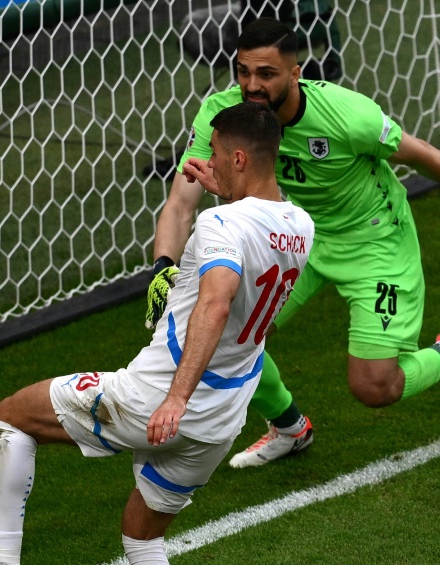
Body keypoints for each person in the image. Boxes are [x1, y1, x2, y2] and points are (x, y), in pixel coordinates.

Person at [0, 102, 314, 565]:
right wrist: (218, 200)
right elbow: (246, 261)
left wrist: (174, 396)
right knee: (142, 534)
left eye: (215, 155)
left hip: (155, 397)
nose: (203, 163)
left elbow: (216, 300)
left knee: (13, 415)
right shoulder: (299, 226)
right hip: (223, 417)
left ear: (236, 156)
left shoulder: (221, 229)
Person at [146, 18, 440, 469]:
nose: (251, 86)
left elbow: (421, 154)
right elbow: (181, 203)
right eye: (243, 72)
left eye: (266, 74)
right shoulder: (226, 118)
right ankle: (289, 427)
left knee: (375, 387)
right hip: (296, 238)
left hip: (376, 240)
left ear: (296, 73)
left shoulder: (347, 115)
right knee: (225, 337)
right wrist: (163, 266)